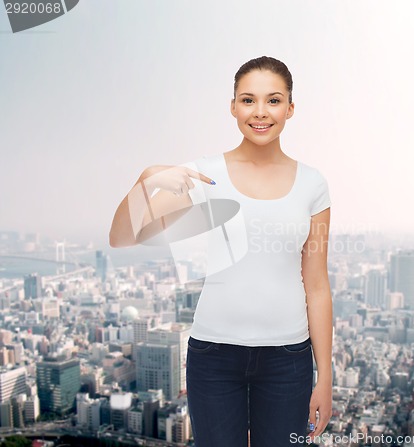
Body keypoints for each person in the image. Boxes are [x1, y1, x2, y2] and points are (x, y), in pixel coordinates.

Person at [109, 56, 333, 447]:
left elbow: (316, 284)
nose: (260, 112)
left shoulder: (313, 184)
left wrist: (326, 377)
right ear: (233, 107)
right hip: (213, 356)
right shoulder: (204, 175)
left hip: (288, 359)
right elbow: (124, 237)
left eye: (273, 100)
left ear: (291, 108)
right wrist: (146, 180)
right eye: (248, 100)